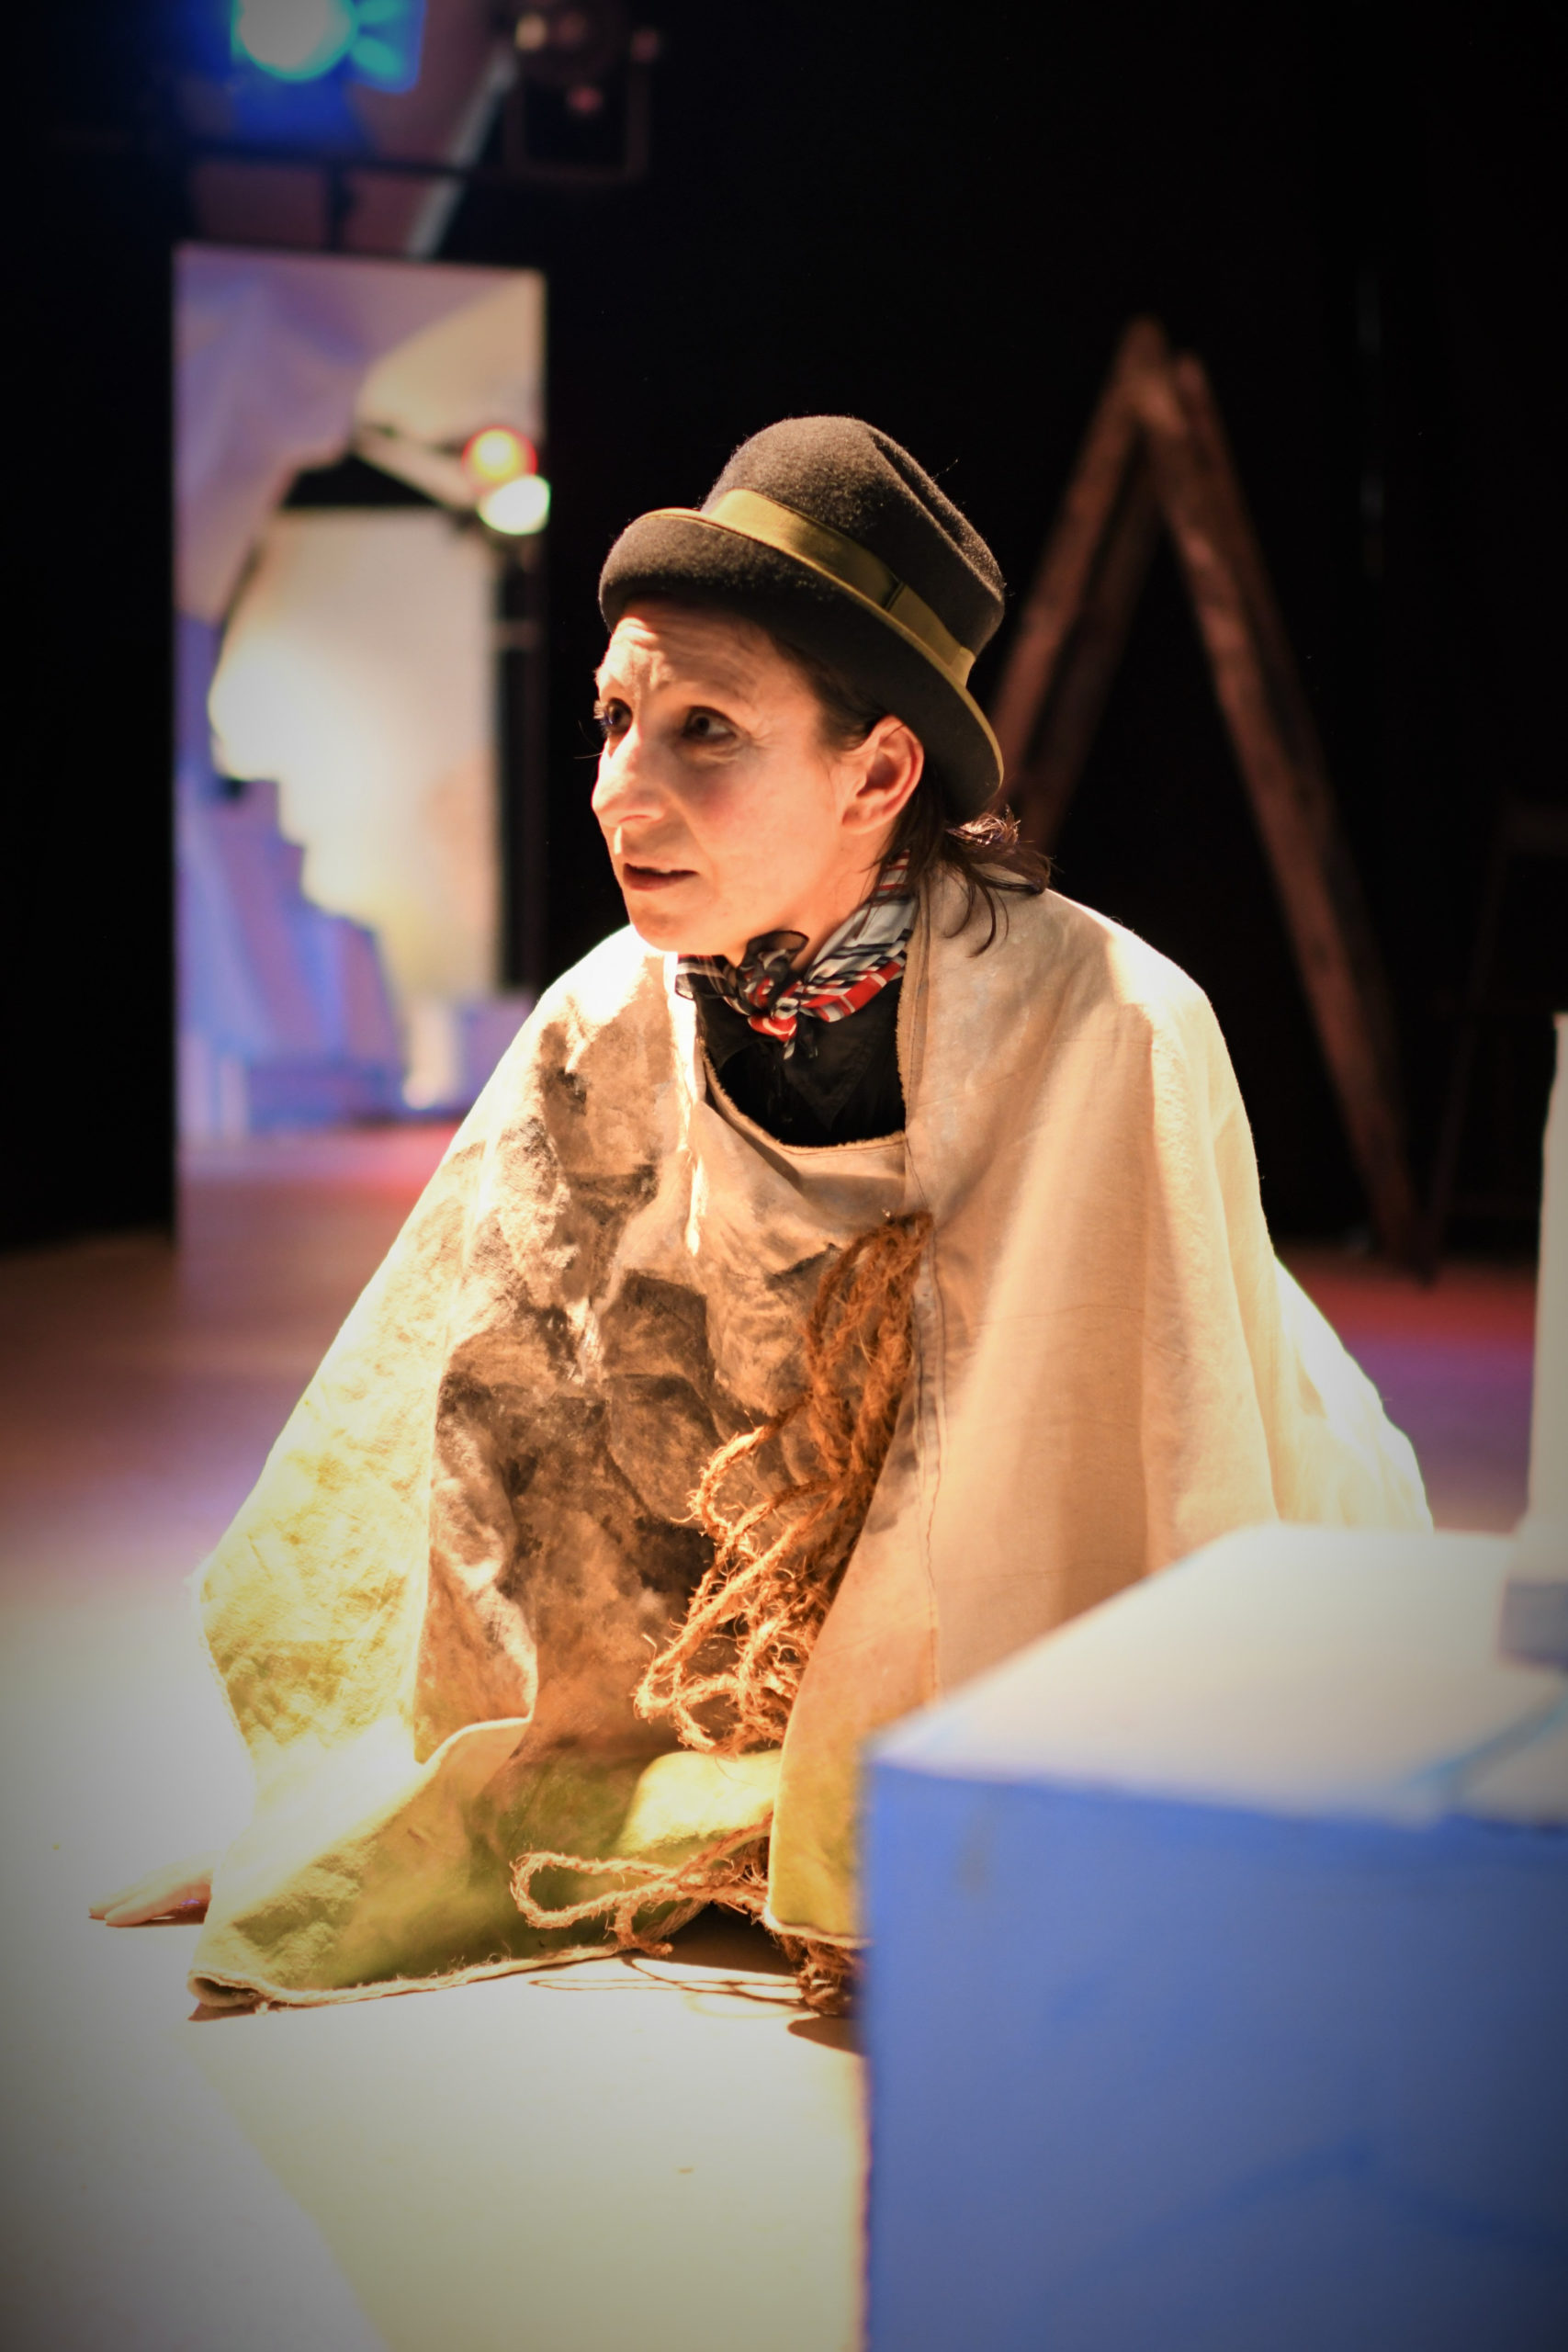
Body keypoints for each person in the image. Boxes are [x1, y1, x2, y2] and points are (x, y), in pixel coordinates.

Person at [95, 417, 1429, 2012]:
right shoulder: (609, 1013)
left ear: (879, 773)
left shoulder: (1109, 1025)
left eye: (705, 731)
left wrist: (925, 1852)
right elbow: (461, 1409)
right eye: (615, 720)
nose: (620, 789)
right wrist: (353, 1806)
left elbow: (1112, 1470)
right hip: (767, 1601)